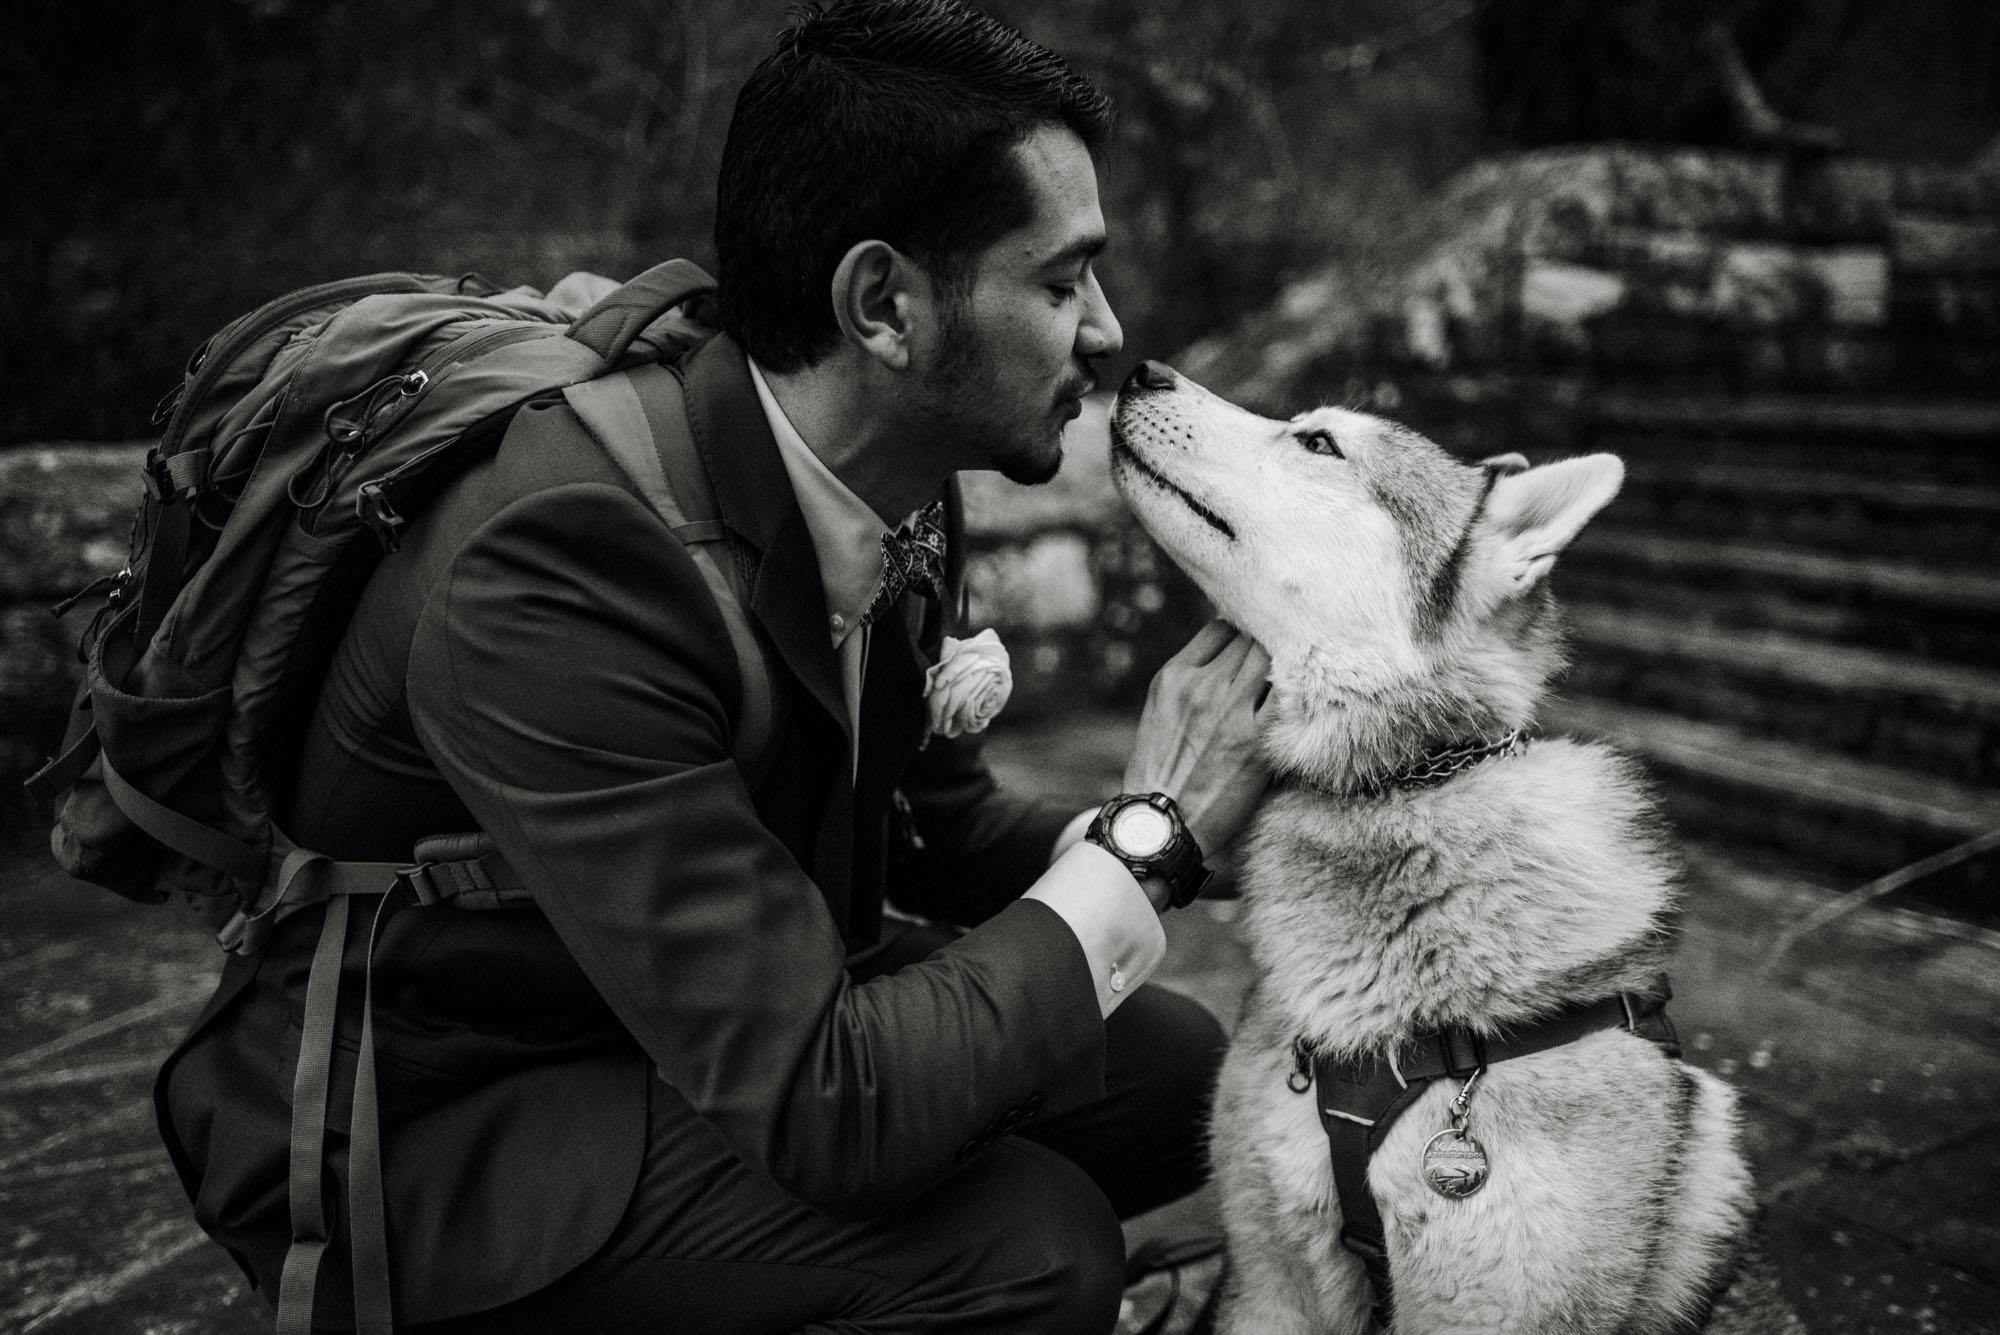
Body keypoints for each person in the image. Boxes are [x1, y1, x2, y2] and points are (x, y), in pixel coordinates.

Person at [155, 2, 1271, 1332]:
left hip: (683, 1020)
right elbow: (832, 1109)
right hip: (451, 1122)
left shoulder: (894, 469)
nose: (1104, 331)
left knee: (1172, 1069)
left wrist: (1245, 827)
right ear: (883, 307)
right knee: (1031, 1250)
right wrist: (1147, 839)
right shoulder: (558, 562)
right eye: (1058, 280)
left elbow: (938, 823)